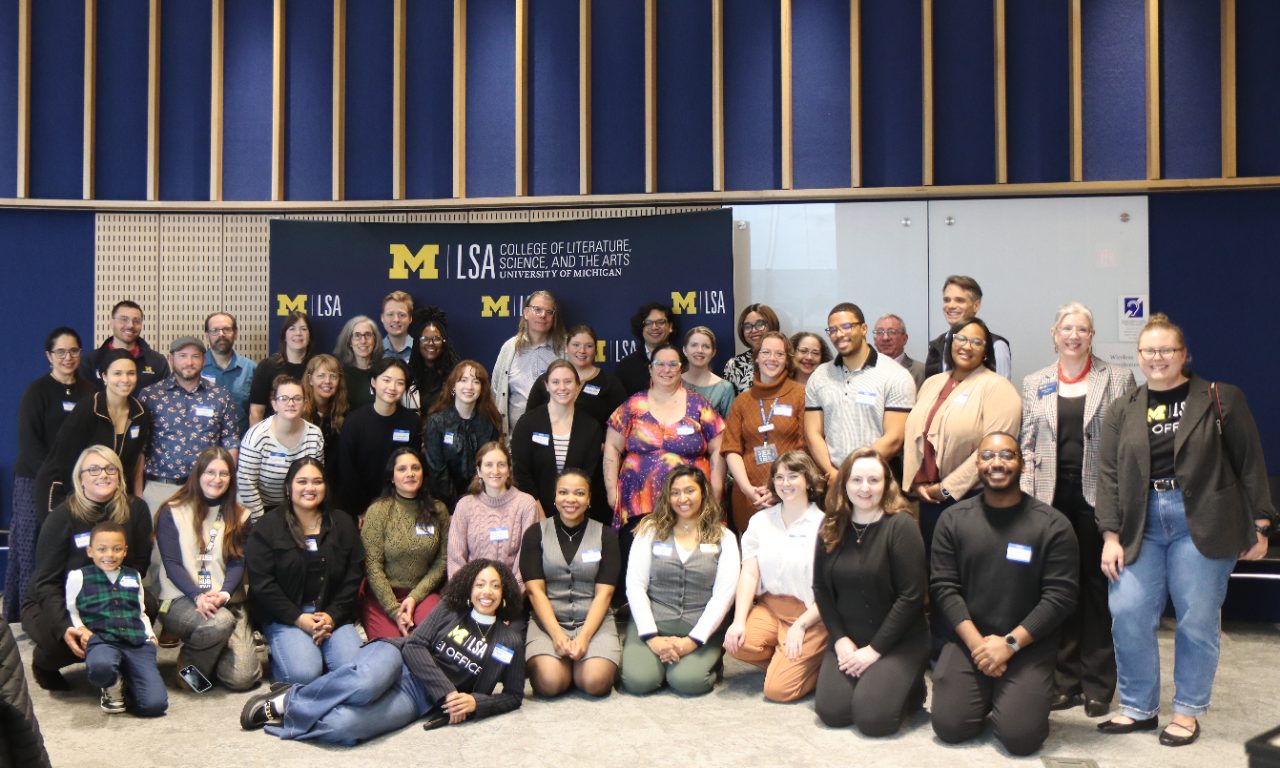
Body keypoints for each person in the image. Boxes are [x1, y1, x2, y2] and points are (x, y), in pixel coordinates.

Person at [1095, 313, 1274, 747]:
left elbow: (1250, 462)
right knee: (1128, 610)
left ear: (1184, 355)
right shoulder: (1124, 408)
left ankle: (1188, 710)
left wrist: (1261, 522)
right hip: (1143, 520)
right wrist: (1111, 535)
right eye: (1149, 351)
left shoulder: (1220, 398)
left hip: (1205, 518)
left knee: (1196, 619)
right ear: (1139, 356)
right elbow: (1108, 476)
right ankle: (1138, 706)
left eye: (1167, 350)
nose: (1158, 358)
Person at [240, 559, 525, 746]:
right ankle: (286, 700)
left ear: (505, 593)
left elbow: (513, 695)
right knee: (366, 684)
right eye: (480, 584)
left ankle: (302, 706)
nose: (486, 591)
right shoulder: (451, 608)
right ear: (468, 588)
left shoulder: (509, 640)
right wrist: (447, 692)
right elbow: (414, 645)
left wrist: (477, 703)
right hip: (398, 659)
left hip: (419, 698)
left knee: (345, 727)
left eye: (495, 585)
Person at [929, 432, 1079, 756]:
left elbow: (1060, 597)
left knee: (1021, 738)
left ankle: (1014, 697)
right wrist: (979, 646)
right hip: (971, 640)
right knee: (950, 727)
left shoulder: (1053, 525)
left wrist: (1009, 645)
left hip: (1028, 645)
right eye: (987, 456)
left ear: (1022, 464)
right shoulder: (952, 520)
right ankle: (988, 689)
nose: (996, 463)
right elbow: (944, 588)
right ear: (977, 464)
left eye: (1007, 455)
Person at [1020, 302, 1135, 716]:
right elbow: (1026, 445)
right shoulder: (1036, 381)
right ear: (1054, 334)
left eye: (1082, 329)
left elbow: (1129, 446)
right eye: (1066, 328)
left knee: (1097, 590)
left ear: (1092, 334)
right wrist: (1026, 504)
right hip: (1050, 500)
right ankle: (1064, 680)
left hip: (1097, 500)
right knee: (1058, 589)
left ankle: (1099, 684)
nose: (1073, 335)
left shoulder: (1117, 377)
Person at [812, 448, 929, 736]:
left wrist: (874, 651)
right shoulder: (831, 525)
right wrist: (839, 640)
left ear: (886, 484)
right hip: (849, 639)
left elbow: (911, 597)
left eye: (874, 480)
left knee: (873, 720)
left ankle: (911, 688)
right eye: (857, 480)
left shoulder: (901, 526)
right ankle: (882, 683)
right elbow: (822, 590)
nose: (865, 488)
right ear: (845, 484)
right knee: (833, 713)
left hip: (897, 641)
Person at [23, 446, 153, 692]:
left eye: (109, 468)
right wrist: (67, 625)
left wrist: (109, 608)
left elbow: (139, 565)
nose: (102, 474)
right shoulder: (62, 516)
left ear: (119, 475)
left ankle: (117, 661)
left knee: (150, 606)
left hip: (109, 594)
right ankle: (44, 665)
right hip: (55, 597)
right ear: (80, 477)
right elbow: (45, 582)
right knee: (61, 643)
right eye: (93, 469)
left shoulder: (136, 510)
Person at [904, 316, 1022, 562]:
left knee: (967, 574)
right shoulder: (932, 383)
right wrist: (918, 483)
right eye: (961, 338)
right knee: (934, 574)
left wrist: (947, 489)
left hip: (972, 500)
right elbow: (915, 435)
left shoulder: (998, 388)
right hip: (928, 500)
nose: (967, 346)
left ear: (986, 351)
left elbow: (992, 451)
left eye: (977, 342)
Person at [244, 458, 364, 685]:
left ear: (325, 487)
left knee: (355, 668)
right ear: (289, 488)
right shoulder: (267, 527)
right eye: (302, 482)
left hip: (330, 613)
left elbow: (354, 575)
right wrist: (299, 619)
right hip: (286, 616)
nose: (310, 488)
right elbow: (263, 585)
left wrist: (332, 615)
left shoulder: (343, 522)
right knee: (305, 673)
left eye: (317, 482)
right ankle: (284, 658)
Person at [622, 466, 740, 695]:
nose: (682, 499)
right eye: (675, 492)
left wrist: (693, 641)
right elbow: (635, 586)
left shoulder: (724, 537)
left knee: (688, 683)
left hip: (699, 626)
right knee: (638, 682)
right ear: (667, 496)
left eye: (689, 491)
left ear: (703, 493)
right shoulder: (650, 530)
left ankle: (706, 661)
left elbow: (723, 597)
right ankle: (658, 658)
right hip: (653, 623)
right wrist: (652, 638)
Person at [152, 447, 260, 692]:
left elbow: (237, 562)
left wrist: (222, 594)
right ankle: (187, 670)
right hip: (180, 599)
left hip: (227, 599)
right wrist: (197, 596)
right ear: (198, 473)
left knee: (242, 679)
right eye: (211, 472)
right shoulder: (173, 510)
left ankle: (210, 649)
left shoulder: (242, 515)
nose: (217, 479)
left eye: (224, 474)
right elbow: (172, 564)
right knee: (218, 624)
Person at [7, 327, 97, 620]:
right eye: (61, 352)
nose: (68, 357)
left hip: (77, 485)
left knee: (73, 547)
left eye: (73, 351)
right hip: (35, 481)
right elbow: (30, 444)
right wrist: (52, 481)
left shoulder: (90, 392)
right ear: (49, 356)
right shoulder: (38, 391)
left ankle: (68, 614)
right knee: (32, 544)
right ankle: (29, 614)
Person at [724, 451, 827, 703]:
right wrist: (738, 620)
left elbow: (831, 590)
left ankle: (818, 661)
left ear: (809, 480)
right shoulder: (760, 521)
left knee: (778, 691)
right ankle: (788, 659)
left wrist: (801, 625)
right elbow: (749, 572)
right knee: (738, 644)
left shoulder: (824, 524)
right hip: (771, 608)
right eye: (779, 477)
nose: (785, 483)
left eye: (793, 476)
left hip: (812, 614)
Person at [604, 343, 725, 533]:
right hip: (637, 500)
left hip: (689, 504)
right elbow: (612, 447)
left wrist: (716, 492)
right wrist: (612, 492)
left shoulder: (699, 404)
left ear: (681, 368)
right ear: (650, 369)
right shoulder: (633, 405)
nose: (666, 370)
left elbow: (719, 449)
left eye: (672, 364)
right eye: (660, 364)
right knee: (639, 557)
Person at [521, 469, 621, 697]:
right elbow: (535, 592)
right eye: (563, 492)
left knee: (595, 683)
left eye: (579, 493)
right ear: (554, 497)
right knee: (549, 683)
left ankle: (583, 664)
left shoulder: (606, 536)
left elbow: (604, 594)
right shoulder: (535, 534)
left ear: (588, 499)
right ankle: (566, 665)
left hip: (594, 621)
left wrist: (584, 637)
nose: (571, 499)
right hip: (549, 622)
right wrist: (557, 635)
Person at [804, 302, 916, 485]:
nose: (839, 334)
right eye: (832, 330)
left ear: (864, 329)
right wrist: (832, 472)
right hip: (833, 481)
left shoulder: (896, 375)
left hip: (877, 481)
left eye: (846, 326)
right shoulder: (819, 376)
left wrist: (852, 474)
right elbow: (812, 433)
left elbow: (894, 438)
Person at [63, 521, 166, 716]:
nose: (109, 555)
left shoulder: (133, 575)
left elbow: (140, 611)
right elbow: (72, 610)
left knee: (155, 706)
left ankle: (131, 681)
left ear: (125, 551)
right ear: (90, 551)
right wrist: (82, 629)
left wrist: (150, 636)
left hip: (136, 642)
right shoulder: (79, 577)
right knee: (102, 667)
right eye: (102, 549)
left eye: (116, 549)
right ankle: (111, 684)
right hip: (102, 640)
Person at [34, 350, 151, 515]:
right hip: (65, 488)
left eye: (130, 373)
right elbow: (65, 459)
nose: (125, 379)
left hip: (104, 493)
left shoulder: (141, 413)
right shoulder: (89, 407)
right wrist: (83, 496)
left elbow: (131, 463)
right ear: (104, 376)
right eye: (117, 373)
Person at [136, 336, 240, 514]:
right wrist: (138, 494)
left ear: (204, 360)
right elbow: (140, 449)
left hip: (206, 489)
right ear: (171, 359)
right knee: (159, 542)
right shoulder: (151, 396)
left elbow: (230, 442)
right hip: (161, 488)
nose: (189, 362)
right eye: (182, 356)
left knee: (205, 542)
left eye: (195, 356)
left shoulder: (220, 396)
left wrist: (227, 486)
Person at [721, 332, 807, 533]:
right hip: (748, 496)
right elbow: (731, 448)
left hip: (790, 491)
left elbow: (805, 448)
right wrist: (747, 489)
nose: (772, 358)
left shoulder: (800, 395)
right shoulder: (742, 401)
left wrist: (778, 488)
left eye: (779, 354)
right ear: (756, 357)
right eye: (766, 352)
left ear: (787, 360)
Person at [360, 448, 450, 641]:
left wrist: (414, 597)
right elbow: (372, 566)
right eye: (402, 469)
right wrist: (394, 611)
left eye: (415, 468)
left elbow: (442, 561)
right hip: (383, 598)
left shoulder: (438, 510)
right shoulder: (378, 511)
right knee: (391, 648)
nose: (410, 473)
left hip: (423, 594)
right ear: (392, 477)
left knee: (429, 640)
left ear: (423, 473)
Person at [512, 359, 606, 521]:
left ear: (578, 386)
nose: (562, 387)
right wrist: (541, 518)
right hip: (533, 514)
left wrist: (570, 518)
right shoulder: (527, 424)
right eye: (555, 382)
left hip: (576, 515)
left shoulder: (591, 427)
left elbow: (588, 477)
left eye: (568, 382)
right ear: (547, 385)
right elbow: (522, 475)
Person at [447, 441, 539, 590]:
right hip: (471, 595)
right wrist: (468, 594)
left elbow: (527, 560)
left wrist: (510, 596)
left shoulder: (526, 504)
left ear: (509, 470)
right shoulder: (465, 505)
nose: (495, 471)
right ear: (479, 471)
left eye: (501, 465)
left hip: (512, 596)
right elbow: (455, 559)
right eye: (489, 465)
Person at [337, 358, 419, 518]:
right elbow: (347, 470)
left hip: (400, 504)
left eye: (400, 383)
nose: (392, 387)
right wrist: (362, 509)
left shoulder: (411, 421)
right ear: (374, 382)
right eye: (386, 380)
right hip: (360, 508)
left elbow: (413, 466)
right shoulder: (354, 421)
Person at [236, 376, 325, 521]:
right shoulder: (256, 437)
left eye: (297, 398)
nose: (291, 403)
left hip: (300, 507)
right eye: (284, 398)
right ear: (274, 404)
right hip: (261, 509)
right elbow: (246, 486)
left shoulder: (315, 435)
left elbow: (316, 481)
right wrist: (262, 523)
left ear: (305, 404)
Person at [423, 360, 504, 510]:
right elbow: (437, 472)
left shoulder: (489, 423)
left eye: (476, 382)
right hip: (444, 505)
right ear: (453, 386)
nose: (469, 387)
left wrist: (475, 502)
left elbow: (490, 469)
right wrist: (457, 507)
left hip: (482, 503)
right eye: (463, 380)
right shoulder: (437, 423)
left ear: (482, 389)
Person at [492, 290, 567, 433]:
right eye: (537, 309)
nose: (543, 315)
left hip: (555, 437)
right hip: (514, 438)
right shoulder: (509, 348)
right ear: (526, 313)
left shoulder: (564, 349)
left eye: (549, 312)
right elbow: (495, 392)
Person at [527, 324, 628, 429]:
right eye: (576, 345)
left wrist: (606, 443)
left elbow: (623, 422)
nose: (582, 351)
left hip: (594, 444)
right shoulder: (547, 379)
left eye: (589, 346)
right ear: (566, 348)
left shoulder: (610, 383)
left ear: (595, 350)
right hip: (548, 443)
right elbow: (529, 418)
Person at [924, 275, 1012, 379]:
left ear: (976, 306)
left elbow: (1000, 391)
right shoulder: (936, 346)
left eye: (959, 300)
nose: (951, 306)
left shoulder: (996, 346)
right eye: (947, 300)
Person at [79, 300, 169, 391]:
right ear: (111, 322)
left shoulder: (158, 362)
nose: (130, 325)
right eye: (124, 319)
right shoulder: (90, 361)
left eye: (136, 321)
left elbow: (165, 399)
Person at [249, 310, 313, 426]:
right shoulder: (267, 366)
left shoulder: (316, 367)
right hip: (272, 434)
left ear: (310, 335)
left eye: (304, 329)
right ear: (284, 335)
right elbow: (256, 411)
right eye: (292, 328)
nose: (298, 333)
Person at [202, 312, 257, 436]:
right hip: (203, 447)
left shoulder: (251, 369)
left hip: (240, 445)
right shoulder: (196, 368)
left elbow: (257, 412)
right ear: (207, 335)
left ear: (235, 333)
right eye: (215, 330)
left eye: (226, 329)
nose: (221, 334)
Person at [405, 306, 460, 413]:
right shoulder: (408, 374)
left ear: (444, 342)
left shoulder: (456, 376)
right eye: (425, 339)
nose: (431, 343)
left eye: (436, 339)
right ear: (417, 343)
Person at [300, 354, 348, 476]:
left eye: (333, 376)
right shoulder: (298, 411)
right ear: (310, 379)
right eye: (321, 376)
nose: (327, 381)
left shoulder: (345, 412)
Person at [616, 302, 677, 396]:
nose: (654, 327)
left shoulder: (684, 362)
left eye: (661, 322)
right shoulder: (625, 367)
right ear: (641, 328)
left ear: (670, 327)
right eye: (648, 323)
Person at [724, 303, 781, 394]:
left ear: (772, 324)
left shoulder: (787, 360)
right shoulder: (734, 365)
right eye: (747, 326)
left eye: (760, 324)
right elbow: (730, 405)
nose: (753, 330)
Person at [681, 326, 736, 418]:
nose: (700, 350)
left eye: (706, 346)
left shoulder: (724, 389)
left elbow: (730, 428)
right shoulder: (674, 382)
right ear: (685, 350)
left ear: (713, 352)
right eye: (694, 345)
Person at [332, 314, 381, 412]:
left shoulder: (382, 372)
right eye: (357, 335)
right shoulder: (340, 373)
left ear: (375, 340)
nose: (363, 341)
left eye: (368, 335)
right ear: (349, 341)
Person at [873, 313, 926, 391]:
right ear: (875, 340)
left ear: (904, 339)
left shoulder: (922, 371)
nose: (885, 338)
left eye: (892, 332)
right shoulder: (865, 371)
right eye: (880, 332)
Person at [380, 290, 415, 364]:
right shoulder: (374, 352)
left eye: (402, 315)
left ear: (410, 318)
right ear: (382, 318)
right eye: (390, 314)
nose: (396, 320)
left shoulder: (421, 350)